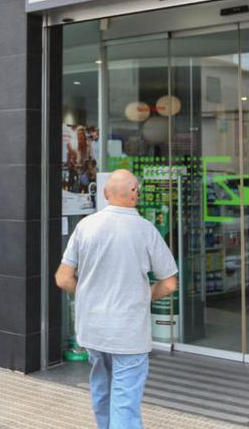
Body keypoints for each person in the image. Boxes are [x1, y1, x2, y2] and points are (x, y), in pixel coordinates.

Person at [55, 169, 178, 429]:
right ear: (136, 194)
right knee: (125, 403)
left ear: (104, 193)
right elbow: (169, 283)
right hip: (128, 333)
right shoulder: (146, 230)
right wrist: (146, 297)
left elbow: (63, 278)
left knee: (102, 390)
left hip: (93, 331)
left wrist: (87, 293)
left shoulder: (85, 226)